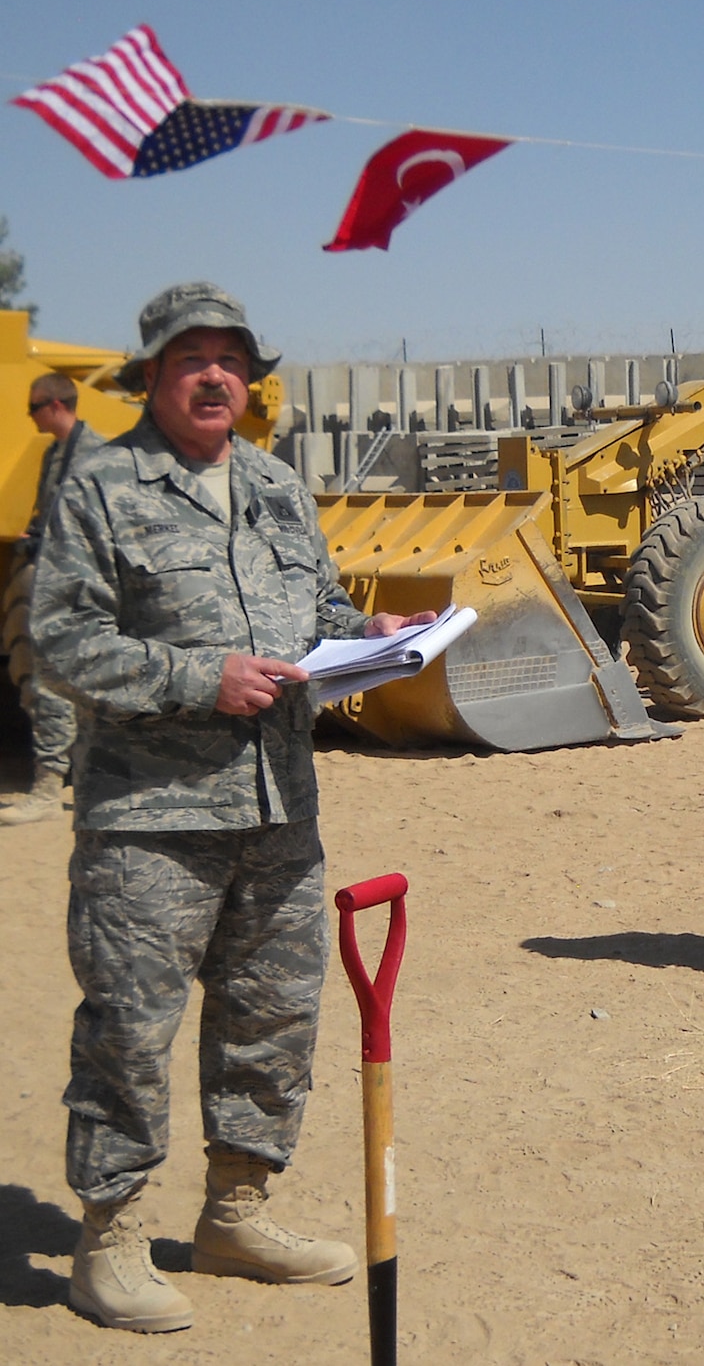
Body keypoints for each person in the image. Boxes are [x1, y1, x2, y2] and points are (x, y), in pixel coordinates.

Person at [30, 283, 436, 1333]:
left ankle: (235, 1210)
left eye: (230, 358)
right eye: (189, 356)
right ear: (152, 375)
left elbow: (320, 612)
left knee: (272, 1020)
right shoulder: (101, 482)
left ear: (250, 378)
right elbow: (60, 640)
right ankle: (108, 1236)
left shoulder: (272, 483)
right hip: (149, 820)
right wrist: (195, 676)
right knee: (129, 1030)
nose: (214, 374)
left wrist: (374, 634)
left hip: (278, 811)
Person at [1, 372, 103, 826]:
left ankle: (49, 787)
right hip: (53, 577)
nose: (32, 417)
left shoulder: (95, 455)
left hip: (78, 587)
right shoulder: (54, 454)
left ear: (55, 405)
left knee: (58, 685)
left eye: (34, 409)